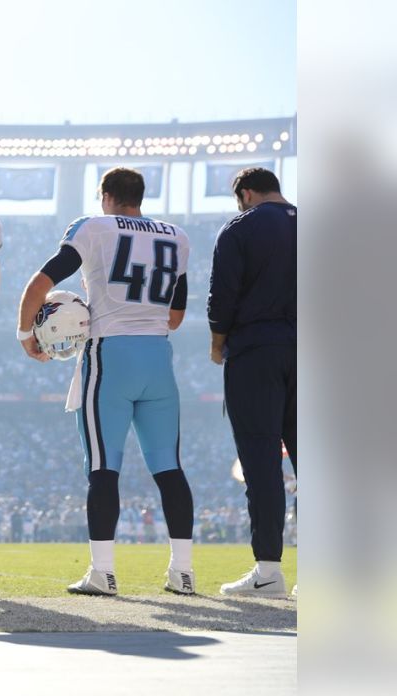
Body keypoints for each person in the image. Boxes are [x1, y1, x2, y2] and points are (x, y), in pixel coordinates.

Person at [16, 166, 196, 596]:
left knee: (102, 468)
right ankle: (184, 573)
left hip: (111, 357)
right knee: (169, 469)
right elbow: (175, 315)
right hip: (157, 357)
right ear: (140, 195)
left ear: (106, 195)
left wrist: (26, 334)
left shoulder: (93, 227)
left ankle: (103, 573)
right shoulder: (176, 235)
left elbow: (42, 281)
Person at [207, 167, 297, 597]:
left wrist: (217, 342)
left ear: (245, 193)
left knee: (262, 462)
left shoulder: (240, 227)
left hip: (257, 350)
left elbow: (221, 295)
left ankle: (268, 570)